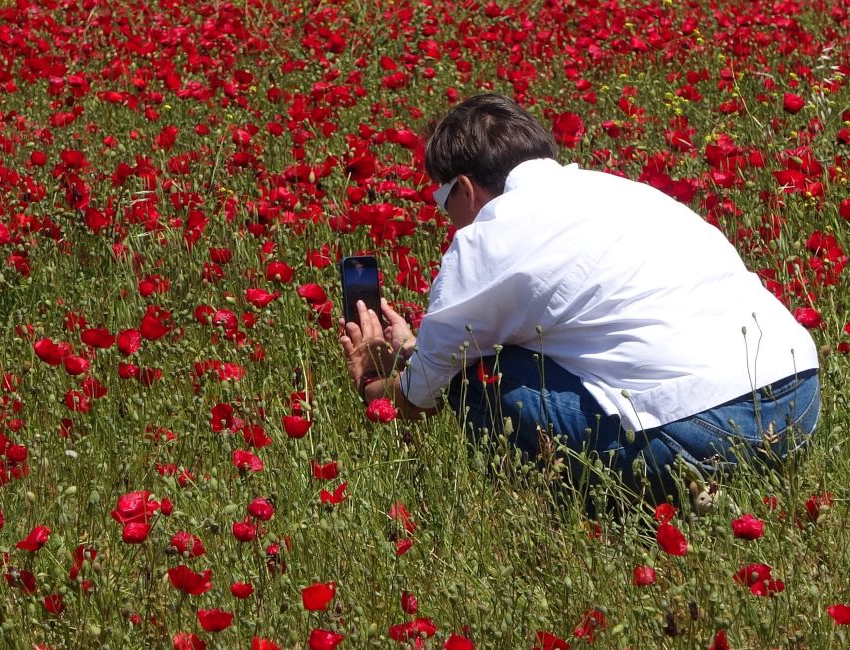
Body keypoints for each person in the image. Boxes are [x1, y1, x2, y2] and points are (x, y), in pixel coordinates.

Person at [339, 93, 821, 508]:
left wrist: (371, 380)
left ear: (464, 187)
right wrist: (416, 351)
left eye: (443, 200)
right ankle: (742, 479)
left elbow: (416, 400)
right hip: (799, 404)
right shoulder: (625, 191)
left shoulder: (486, 239)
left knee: (475, 379)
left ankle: (638, 498)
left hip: (697, 433)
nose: (447, 217)